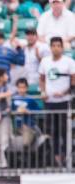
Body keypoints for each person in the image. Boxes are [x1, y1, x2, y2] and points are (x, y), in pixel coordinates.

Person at [39, 36, 75, 166]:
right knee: (52, 131)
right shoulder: (45, 61)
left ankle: (67, 157)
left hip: (64, 102)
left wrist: (64, 92)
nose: (56, 48)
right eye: (53, 46)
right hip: (49, 102)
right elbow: (42, 78)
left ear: (62, 47)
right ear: (50, 47)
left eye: (58, 46)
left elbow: (73, 81)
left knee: (64, 131)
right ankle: (55, 158)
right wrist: (42, 92)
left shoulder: (69, 62)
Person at [12, 77, 41, 148]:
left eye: (23, 87)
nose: (21, 90)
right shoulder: (13, 99)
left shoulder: (31, 99)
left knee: (32, 134)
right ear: (17, 88)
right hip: (18, 126)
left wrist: (29, 111)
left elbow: (38, 110)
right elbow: (10, 111)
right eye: (19, 87)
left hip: (30, 124)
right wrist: (16, 112)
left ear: (27, 88)